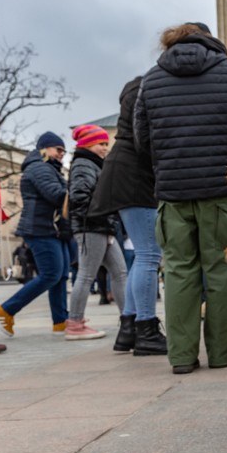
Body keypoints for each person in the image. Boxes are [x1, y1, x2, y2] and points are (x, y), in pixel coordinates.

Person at [135, 21, 227, 374]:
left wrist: (168, 167)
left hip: (173, 195)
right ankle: (223, 352)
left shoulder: (151, 79)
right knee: (223, 271)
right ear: (209, 42)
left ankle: (181, 357)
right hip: (221, 192)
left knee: (178, 273)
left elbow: (141, 140)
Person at [89, 75, 167, 356]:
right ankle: (145, 329)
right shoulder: (148, 91)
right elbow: (147, 140)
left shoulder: (134, 90)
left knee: (143, 256)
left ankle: (129, 330)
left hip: (124, 174)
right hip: (134, 179)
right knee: (148, 255)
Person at [0, 132, 71, 338]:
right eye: (58, 149)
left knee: (60, 276)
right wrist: (80, 189)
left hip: (53, 229)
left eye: (63, 150)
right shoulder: (39, 168)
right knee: (51, 274)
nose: (62, 153)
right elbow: (55, 194)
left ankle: (60, 322)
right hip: (39, 228)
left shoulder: (50, 168)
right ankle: (6, 310)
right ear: (44, 149)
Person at [66, 125, 126, 341]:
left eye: (105, 144)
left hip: (101, 226)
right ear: (88, 144)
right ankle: (74, 324)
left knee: (120, 273)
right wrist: (100, 214)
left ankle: (129, 319)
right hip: (91, 226)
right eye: (101, 144)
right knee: (86, 275)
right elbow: (80, 196)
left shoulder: (92, 164)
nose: (104, 148)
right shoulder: (83, 164)